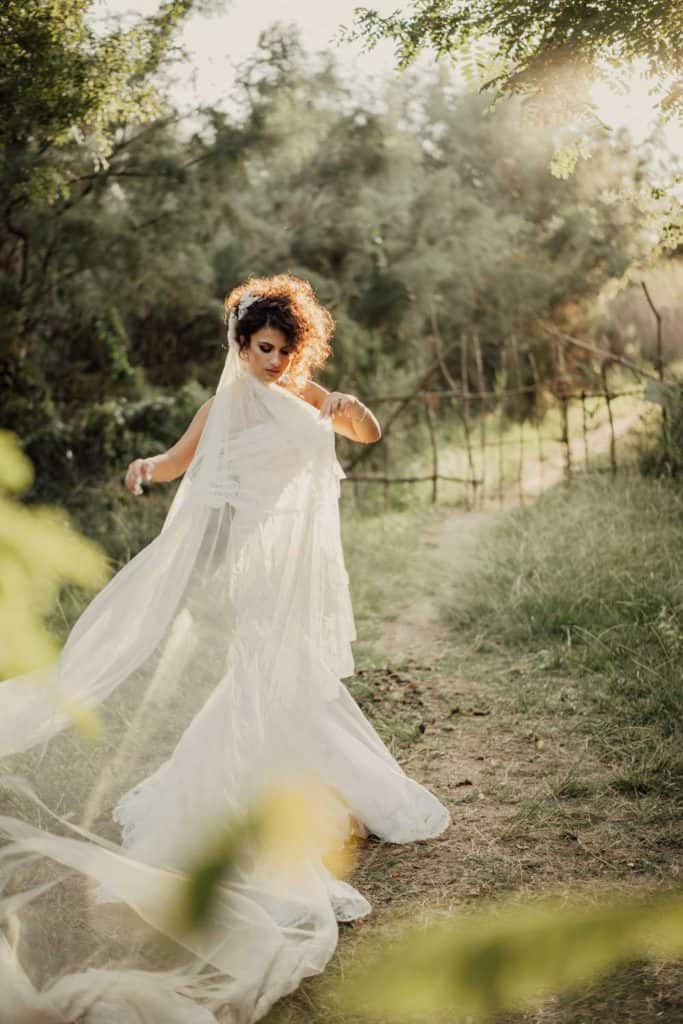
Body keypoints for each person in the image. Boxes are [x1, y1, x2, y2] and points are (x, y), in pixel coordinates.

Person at [0, 274, 450, 1023]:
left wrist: (350, 407)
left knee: (298, 680)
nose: (273, 363)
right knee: (266, 680)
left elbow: (365, 434)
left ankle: (321, 793)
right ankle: (253, 808)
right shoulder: (223, 406)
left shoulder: (308, 397)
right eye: (262, 349)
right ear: (239, 346)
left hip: (303, 562)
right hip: (258, 568)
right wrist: (146, 468)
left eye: (284, 350)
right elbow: (180, 461)